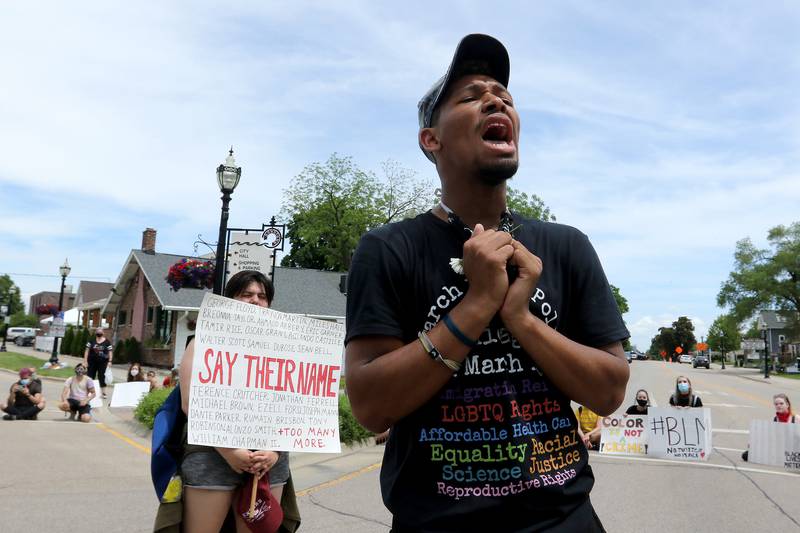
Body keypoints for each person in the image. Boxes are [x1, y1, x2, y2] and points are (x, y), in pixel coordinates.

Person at [344, 34, 630, 532]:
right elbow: (371, 406)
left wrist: (520, 317)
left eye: (504, 96)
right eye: (471, 96)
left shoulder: (566, 246)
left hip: (564, 520)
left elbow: (608, 391)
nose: (497, 99)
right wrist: (477, 305)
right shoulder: (390, 248)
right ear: (430, 140)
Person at [178, 270, 292, 533]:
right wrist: (230, 452)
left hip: (268, 460)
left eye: (262, 296)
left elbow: (293, 406)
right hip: (211, 455)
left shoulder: (285, 348)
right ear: (229, 300)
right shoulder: (202, 343)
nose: (255, 300)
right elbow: (191, 403)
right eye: (246, 294)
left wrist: (274, 452)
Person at [742, 393, 795, 461]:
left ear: (787, 405)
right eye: (776, 404)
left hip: (792, 449)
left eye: (781, 403)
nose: (779, 406)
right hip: (778, 449)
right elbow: (766, 437)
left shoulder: (795, 419)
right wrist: (753, 443)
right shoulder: (774, 419)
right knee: (746, 455)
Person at [84, 327, 113, 399]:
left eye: (100, 332)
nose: (99, 333)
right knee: (90, 376)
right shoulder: (91, 341)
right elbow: (86, 351)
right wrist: (85, 361)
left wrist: (110, 361)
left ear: (103, 333)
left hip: (103, 363)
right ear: (95, 333)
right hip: (91, 362)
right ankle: (89, 391)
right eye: (97, 332)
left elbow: (110, 352)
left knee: (102, 376)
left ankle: (103, 392)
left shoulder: (107, 342)